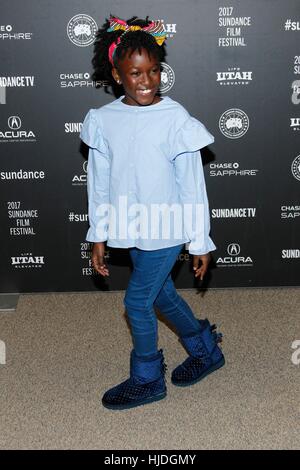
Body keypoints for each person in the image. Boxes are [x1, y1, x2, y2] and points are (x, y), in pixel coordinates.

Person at [80, 14, 225, 410]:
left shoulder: (175, 119)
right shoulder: (104, 121)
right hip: (133, 226)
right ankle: (206, 349)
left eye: (154, 71)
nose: (146, 81)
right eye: (135, 73)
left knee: (137, 303)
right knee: (160, 295)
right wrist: (99, 233)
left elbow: (193, 185)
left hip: (168, 227)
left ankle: (147, 379)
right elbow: (100, 182)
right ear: (116, 73)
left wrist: (198, 239)